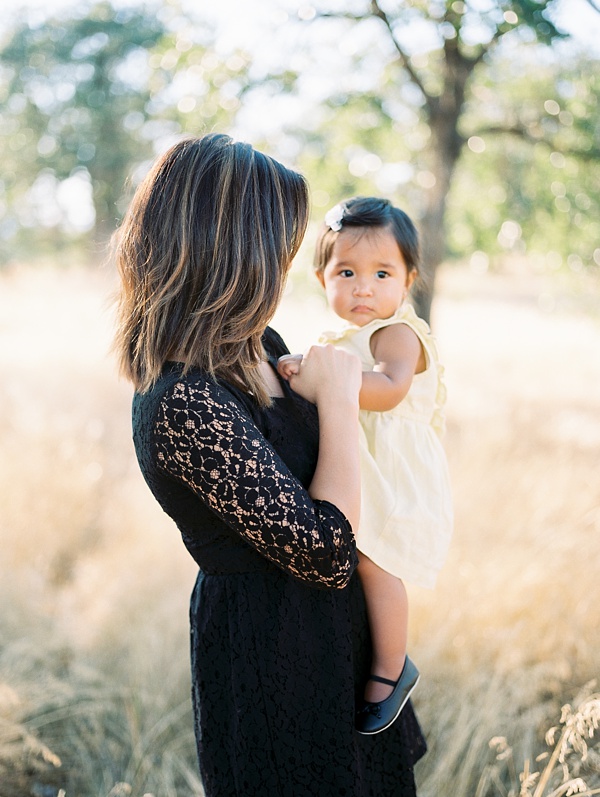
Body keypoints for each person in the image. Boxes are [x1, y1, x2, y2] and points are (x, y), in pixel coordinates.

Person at [113, 135, 426, 796]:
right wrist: (339, 400)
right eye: (278, 243)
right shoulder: (182, 400)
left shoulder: (262, 343)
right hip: (274, 660)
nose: (285, 263)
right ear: (233, 251)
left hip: (344, 642)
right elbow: (325, 550)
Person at [278, 196, 453, 736]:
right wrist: (302, 370)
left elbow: (390, 389)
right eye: (346, 272)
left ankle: (392, 668)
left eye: (382, 273)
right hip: (365, 468)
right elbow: (331, 380)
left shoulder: (399, 333)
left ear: (408, 280)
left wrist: (323, 381)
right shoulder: (339, 340)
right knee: (352, 557)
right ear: (321, 277)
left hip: (395, 475)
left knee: (377, 566)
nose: (363, 287)